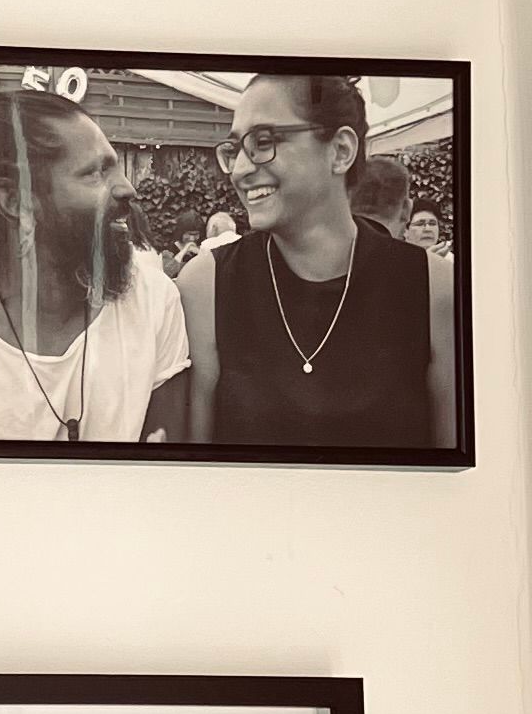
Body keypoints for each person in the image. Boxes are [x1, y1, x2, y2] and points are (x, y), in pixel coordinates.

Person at [0, 76, 191, 446]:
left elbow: (167, 463)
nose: (128, 188)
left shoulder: (154, 301)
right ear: (16, 201)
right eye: (96, 172)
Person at [189, 72, 450, 453]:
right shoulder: (206, 284)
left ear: (340, 151)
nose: (241, 169)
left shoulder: (433, 286)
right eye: (234, 149)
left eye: (264, 143)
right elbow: (192, 468)